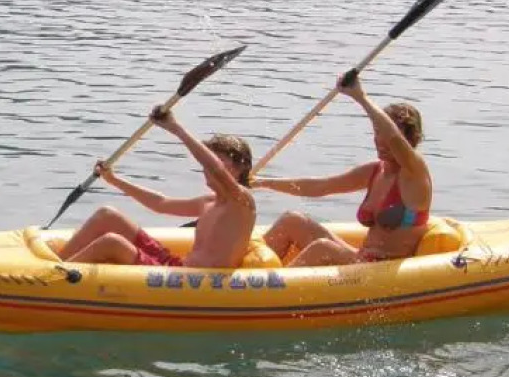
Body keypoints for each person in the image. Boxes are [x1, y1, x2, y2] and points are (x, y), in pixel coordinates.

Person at [256, 74, 431, 266]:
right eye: (376, 132)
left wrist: (360, 97)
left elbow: (394, 138)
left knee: (323, 248)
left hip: (385, 270)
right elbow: (321, 186)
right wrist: (263, 182)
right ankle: (244, 275)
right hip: (361, 259)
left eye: (385, 134)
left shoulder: (414, 173)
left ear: (410, 140)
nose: (380, 141)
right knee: (292, 220)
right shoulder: (375, 171)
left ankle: (268, 293)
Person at [51, 107, 255, 268]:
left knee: (112, 243)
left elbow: (215, 168)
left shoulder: (242, 201)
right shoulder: (209, 202)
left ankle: (51, 283)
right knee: (107, 215)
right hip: (177, 267)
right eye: (206, 162)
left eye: (213, 162)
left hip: (194, 282)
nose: (206, 169)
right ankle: (50, 267)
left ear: (240, 169)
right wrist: (114, 180)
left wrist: (176, 128)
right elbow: (161, 204)